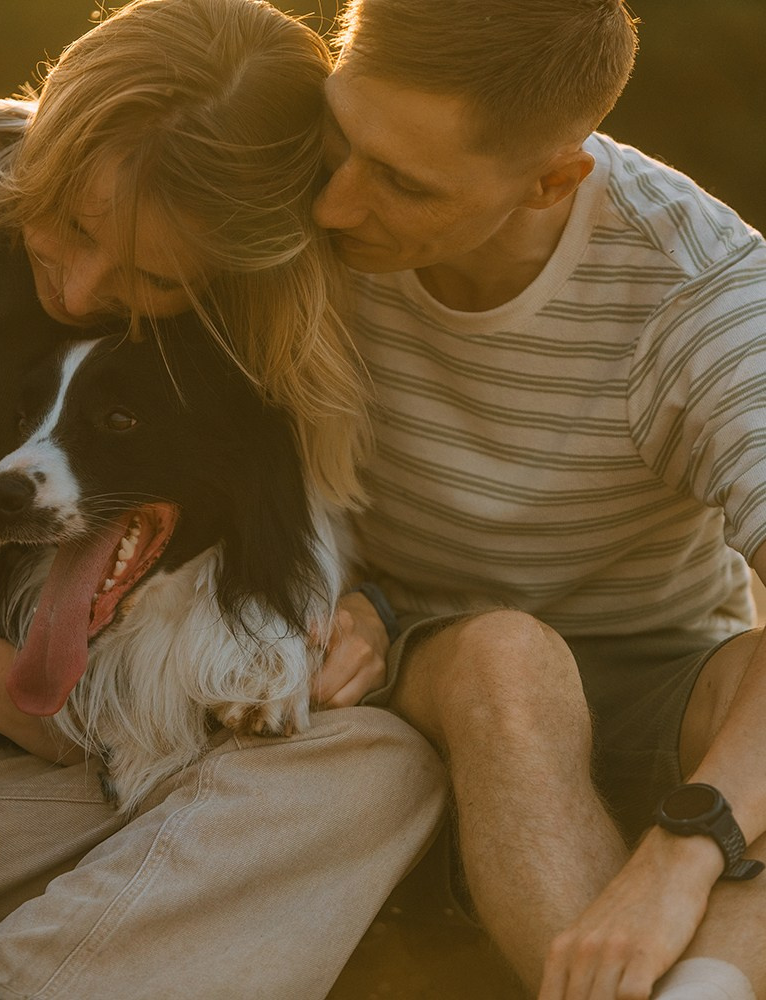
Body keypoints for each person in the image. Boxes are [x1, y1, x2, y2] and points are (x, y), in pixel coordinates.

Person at [0, 1, 445, 997]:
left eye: (152, 278)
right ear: (54, 126)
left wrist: (364, 614)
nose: (83, 290)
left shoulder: (224, 335)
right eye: (75, 226)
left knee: (375, 769)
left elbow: (281, 515)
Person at [310, 1, 766, 998]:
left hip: (663, 674)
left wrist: (683, 850)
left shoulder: (699, 290)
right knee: (511, 657)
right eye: (339, 137)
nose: (336, 204)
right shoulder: (303, 213)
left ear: (553, 178)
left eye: (400, 181)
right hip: (428, 656)